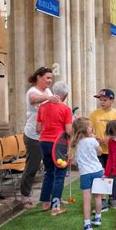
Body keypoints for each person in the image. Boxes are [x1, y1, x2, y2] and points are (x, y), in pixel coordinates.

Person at [20, 66, 59, 208]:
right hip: (33, 135)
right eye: (47, 78)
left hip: (46, 135)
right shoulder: (33, 91)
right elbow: (34, 99)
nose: (49, 81)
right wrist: (49, 98)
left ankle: (51, 197)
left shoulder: (48, 90)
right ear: (38, 77)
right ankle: (25, 196)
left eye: (51, 78)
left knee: (51, 166)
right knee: (33, 166)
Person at [36, 81, 73, 215]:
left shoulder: (42, 107)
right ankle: (55, 206)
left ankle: (46, 202)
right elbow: (69, 130)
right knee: (59, 174)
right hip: (58, 144)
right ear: (66, 95)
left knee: (49, 172)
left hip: (43, 142)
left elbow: (38, 129)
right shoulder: (66, 109)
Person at [69, 118, 104, 230]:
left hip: (85, 173)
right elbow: (100, 152)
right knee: (98, 196)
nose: (91, 129)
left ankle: (87, 224)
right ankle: (98, 218)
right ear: (85, 129)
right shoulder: (92, 140)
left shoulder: (75, 143)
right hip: (97, 171)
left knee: (86, 200)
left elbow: (73, 161)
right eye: (90, 127)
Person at [89, 89, 116, 171]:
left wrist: (111, 138)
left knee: (113, 173)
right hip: (98, 150)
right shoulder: (94, 114)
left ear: (112, 100)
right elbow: (88, 129)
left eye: (105, 100)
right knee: (100, 173)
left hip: (113, 150)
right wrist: (93, 137)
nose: (102, 102)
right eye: (100, 100)